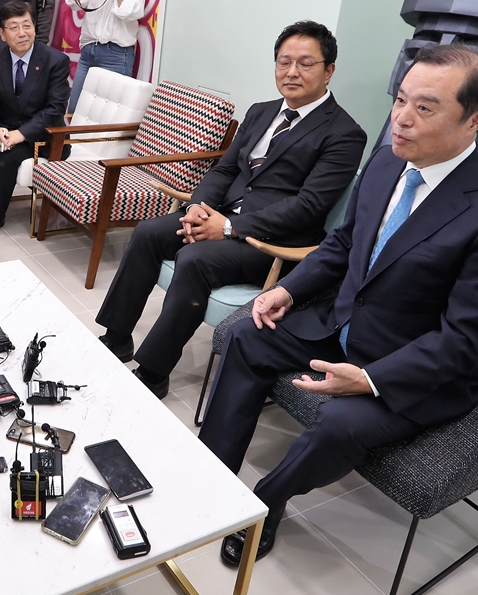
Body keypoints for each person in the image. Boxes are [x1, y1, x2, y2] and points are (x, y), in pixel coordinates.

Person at [198, 44, 478, 567]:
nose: (400, 120)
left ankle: (266, 503)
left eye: (424, 108)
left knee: (339, 425)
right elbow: (343, 244)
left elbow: (466, 340)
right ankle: (211, 477)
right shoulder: (386, 161)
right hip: (340, 322)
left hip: (407, 364)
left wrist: (370, 379)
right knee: (247, 333)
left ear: (476, 119)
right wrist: (289, 289)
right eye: (400, 100)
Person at [95, 21, 366, 398]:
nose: (291, 72)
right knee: (148, 233)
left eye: (305, 63)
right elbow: (224, 170)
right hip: (220, 218)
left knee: (195, 259)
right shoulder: (261, 111)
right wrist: (197, 209)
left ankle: (155, 371)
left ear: (329, 70)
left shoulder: (345, 133)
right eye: (284, 61)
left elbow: (309, 206)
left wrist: (228, 227)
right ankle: (117, 336)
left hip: (273, 244)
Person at [0, 0, 70, 239]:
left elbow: (55, 109)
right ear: (2, 33)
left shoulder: (55, 61)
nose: (22, 33)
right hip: (5, 130)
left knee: (5, 159)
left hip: (43, 137)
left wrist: (20, 134)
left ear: (34, 27)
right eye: (14, 27)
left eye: (27, 25)